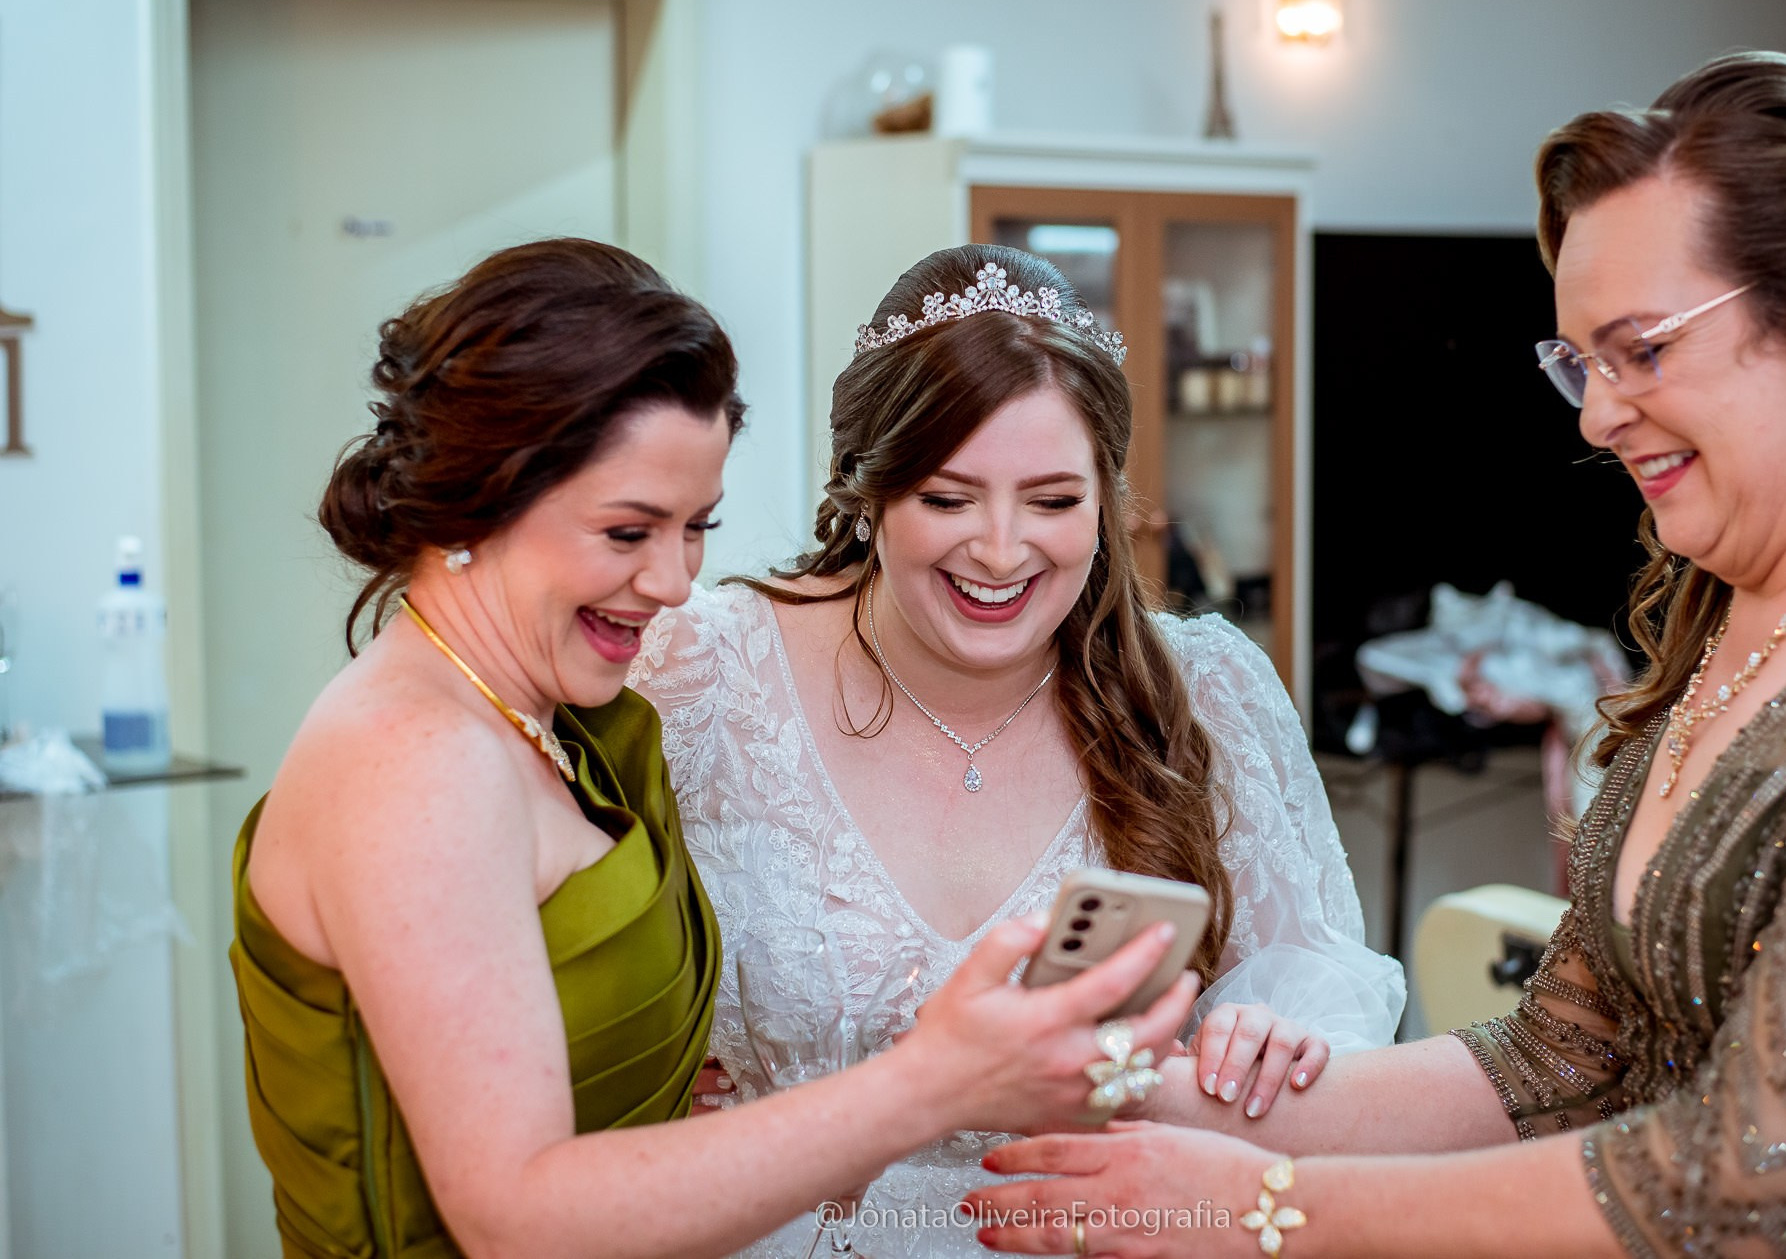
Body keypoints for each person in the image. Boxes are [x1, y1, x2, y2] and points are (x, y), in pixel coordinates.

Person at [963, 52, 1786, 1259]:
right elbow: (1556, 1061)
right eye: (1579, 362)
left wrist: (1261, 1207)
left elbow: (1745, 1186)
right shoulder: (1737, 603)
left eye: (1642, 348)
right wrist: (1147, 1094)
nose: (1594, 415)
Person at [228, 239, 1197, 1259]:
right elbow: (514, 1216)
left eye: (695, 526)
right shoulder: (414, 759)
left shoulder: (537, 719)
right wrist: (933, 1081)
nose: (674, 580)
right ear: (483, 494)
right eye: (626, 530)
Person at [628, 244, 1404, 1256]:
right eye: (947, 500)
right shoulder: (701, 667)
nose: (999, 551)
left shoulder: (1199, 689)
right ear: (867, 492)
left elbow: (1308, 970)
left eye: (1050, 500)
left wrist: (1274, 1040)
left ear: (1105, 497)